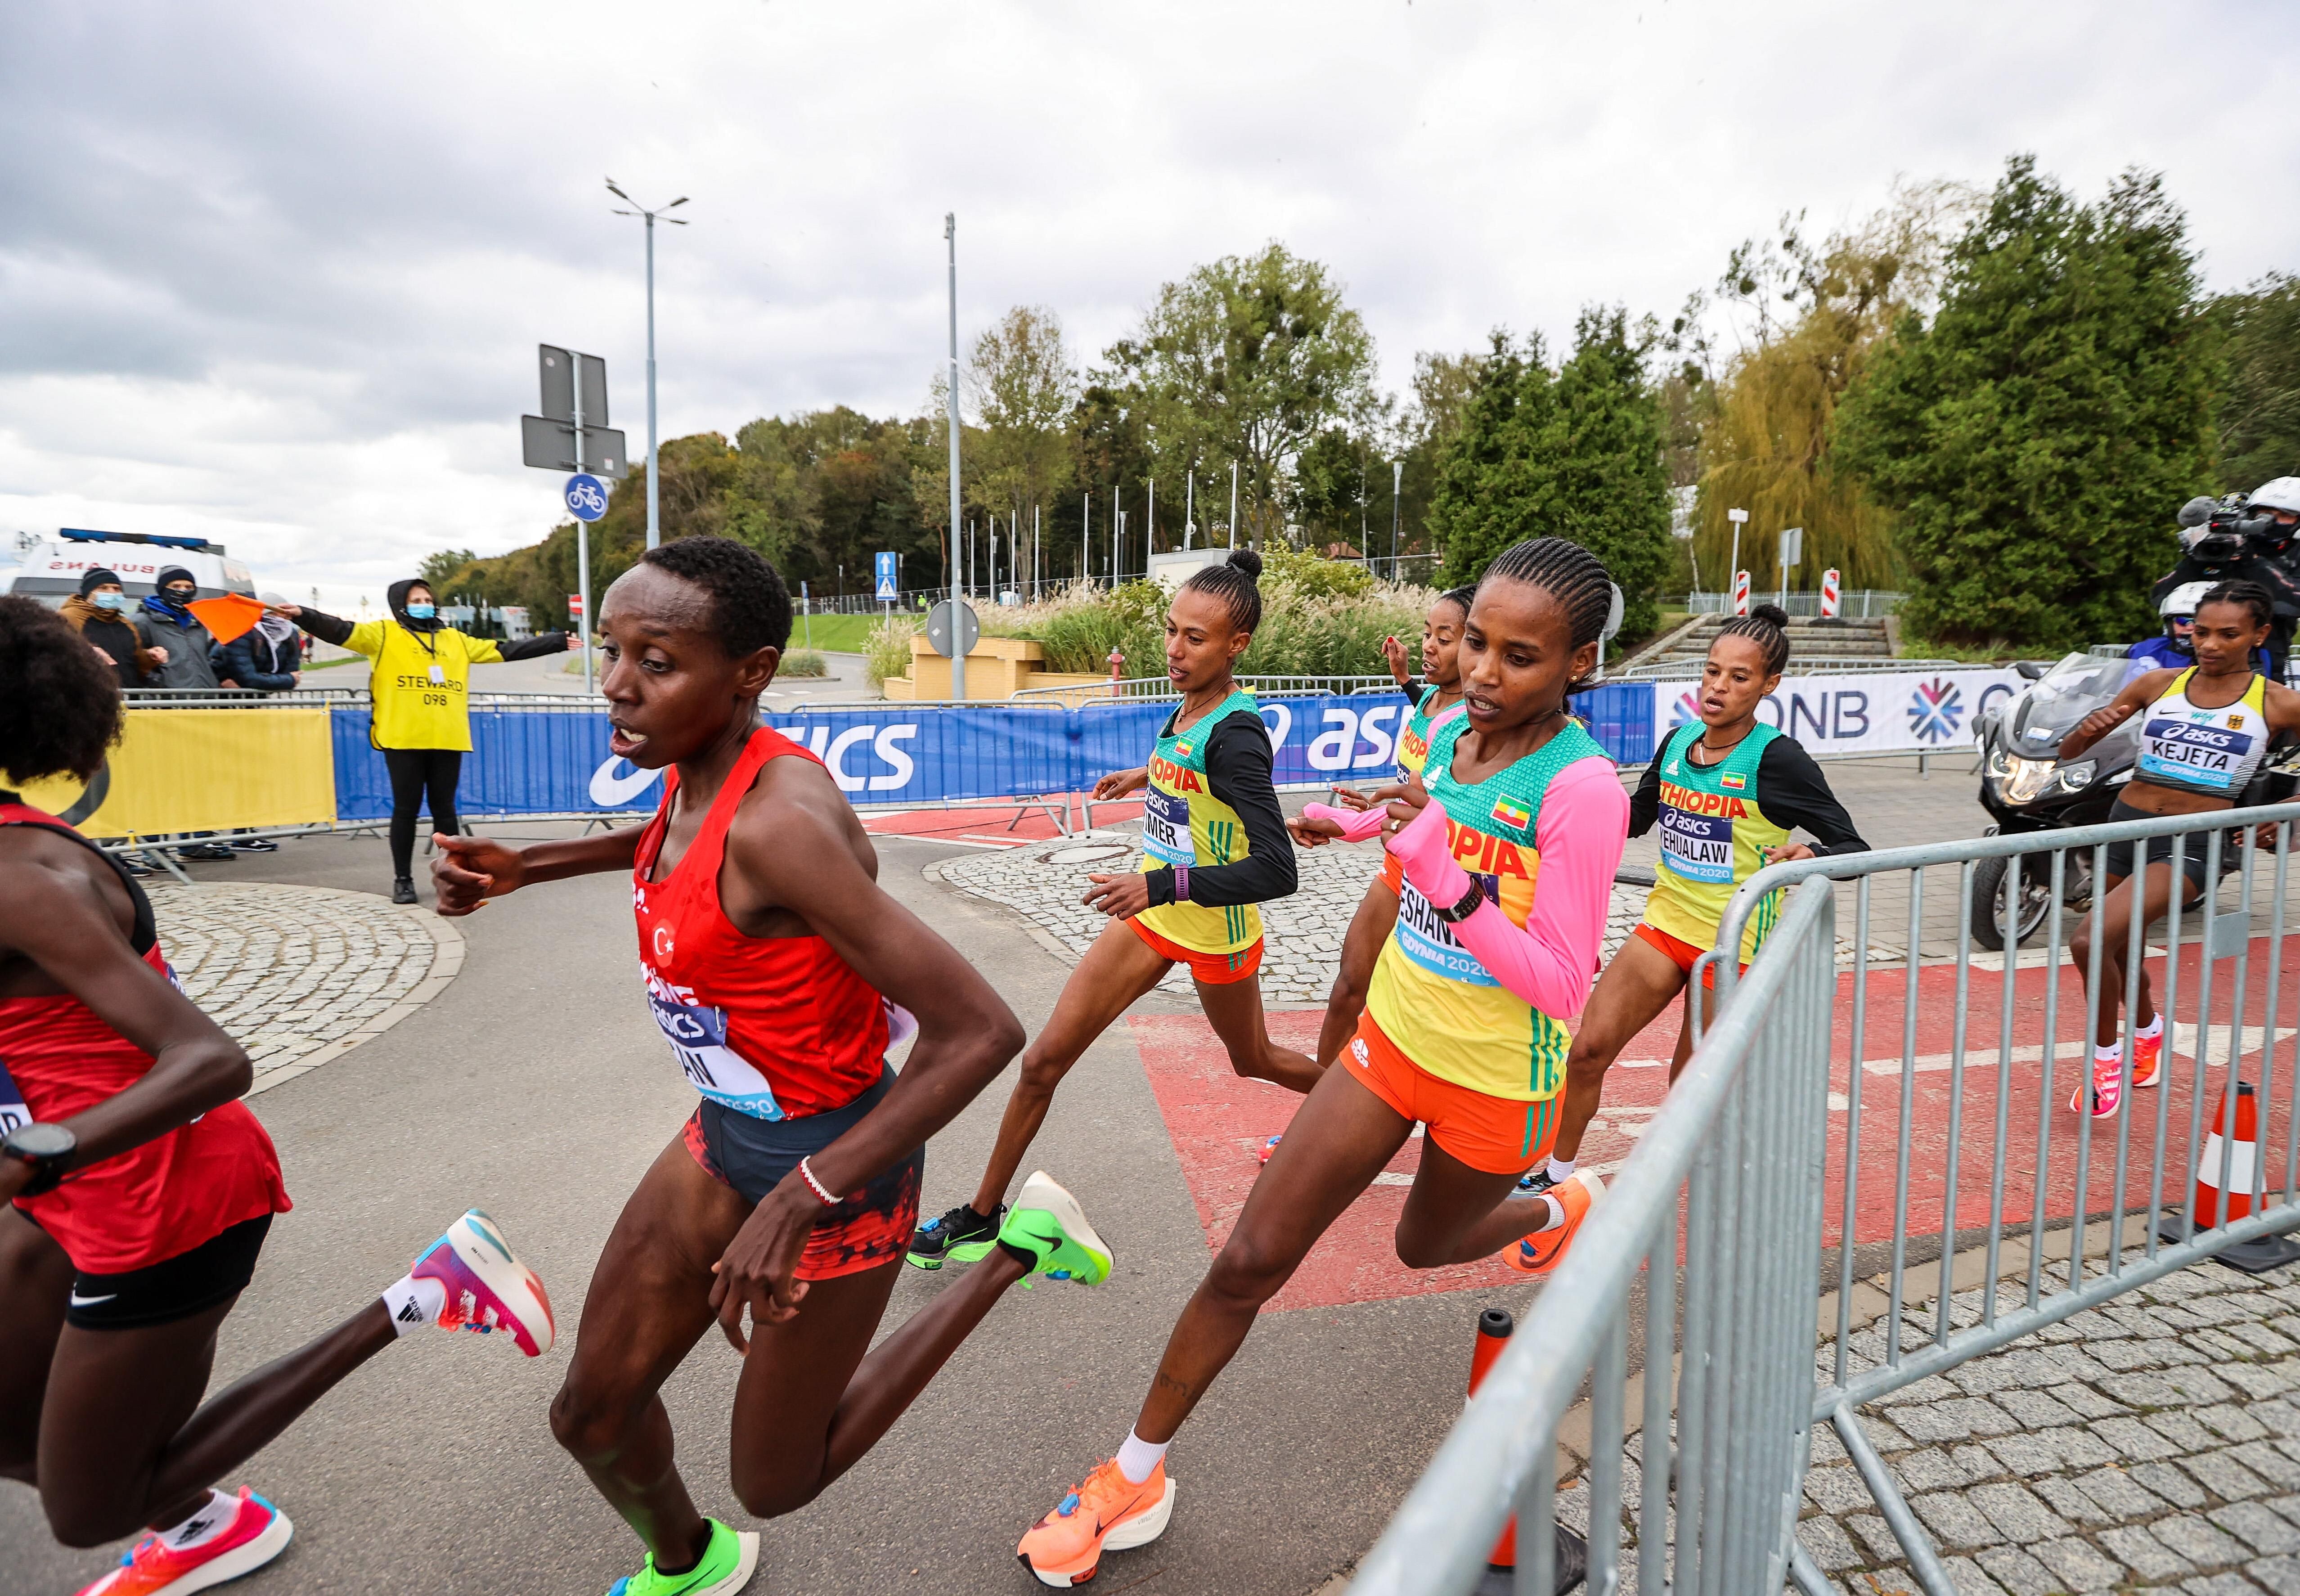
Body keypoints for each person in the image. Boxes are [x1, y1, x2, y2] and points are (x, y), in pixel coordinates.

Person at [428, 536, 1111, 1596]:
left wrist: (802, 1195)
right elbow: (677, 835)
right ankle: (689, 1561)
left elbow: (981, 1030)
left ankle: (1018, 1248)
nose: (616, 683)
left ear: (749, 672)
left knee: (776, 1481)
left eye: (657, 661)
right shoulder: (699, 770)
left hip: (839, 1168)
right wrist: (535, 864)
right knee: (591, 1413)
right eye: (611, 650)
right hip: (723, 1135)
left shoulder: (781, 824)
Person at [1013, 538, 1631, 1588]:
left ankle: (1556, 1204)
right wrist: (1354, 820)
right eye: (1477, 642)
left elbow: (1563, 985)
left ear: (1578, 664)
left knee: (1425, 1245)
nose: (1482, 671)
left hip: (1497, 1080)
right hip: (1391, 1042)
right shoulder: (1454, 731)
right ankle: (1134, 1476)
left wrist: (1450, 878)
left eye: (1519, 656)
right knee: (1248, 1260)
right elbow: (1419, 811)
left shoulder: (1583, 789)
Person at [0, 595, 553, 1596]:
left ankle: (424, 1295)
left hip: (162, 1195)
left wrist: (37, 1151)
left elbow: (210, 1058)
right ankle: (201, 1519)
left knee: (87, 1509)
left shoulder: (22, 877)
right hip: (65, 1183)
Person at [906, 548, 1317, 1269]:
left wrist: (1157, 886)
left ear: (1237, 644)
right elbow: (1193, 779)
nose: (1175, 648)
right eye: (1172, 629)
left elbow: (1276, 868)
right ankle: (980, 1216)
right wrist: (1146, 774)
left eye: (1195, 638)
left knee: (1252, 1059)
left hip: (1210, 928)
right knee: (1043, 1061)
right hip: (1152, 917)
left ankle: (1366, 1104)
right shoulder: (1192, 703)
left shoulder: (1238, 734)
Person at [1530, 603, 1868, 1239]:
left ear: (1769, 685)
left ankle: (1712, 1198)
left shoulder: (1779, 760)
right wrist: (1567, 790)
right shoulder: (1678, 743)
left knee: (1688, 1087)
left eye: (1739, 677)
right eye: (1713, 671)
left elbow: (1855, 848)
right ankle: (1556, 1173)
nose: (1718, 687)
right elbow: (1633, 819)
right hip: (1665, 925)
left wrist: (1811, 854)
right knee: (1588, 1050)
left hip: (1733, 946)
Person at [2059, 580, 2300, 1118]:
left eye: (2228, 634)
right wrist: (2087, 731)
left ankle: (2105, 1061)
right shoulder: (2158, 683)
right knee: (2118, 947)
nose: (2209, 644)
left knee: (2089, 940)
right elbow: (2068, 751)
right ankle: (2148, 1030)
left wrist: (2290, 809)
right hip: (2124, 827)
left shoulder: (2277, 702)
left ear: (2260, 634)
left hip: (2193, 843)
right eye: (2200, 631)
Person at [1287, 584, 1478, 1099]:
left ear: (1476, 645)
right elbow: (1412, 782)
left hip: (1437, 882)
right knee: (1349, 986)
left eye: (1445, 638)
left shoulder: (1469, 725)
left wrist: (1346, 823)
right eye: (1427, 633)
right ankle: (1318, 1115)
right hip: (1397, 868)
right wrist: (1405, 679)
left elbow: (1427, 813)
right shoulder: (1432, 699)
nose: (1429, 645)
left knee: (1415, 1018)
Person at [273, 580, 569, 904]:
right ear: (401, 604)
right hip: (403, 738)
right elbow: (340, 630)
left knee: (446, 811)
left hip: (447, 737)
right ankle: (403, 879)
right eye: (416, 600)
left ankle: (455, 877)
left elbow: (505, 649)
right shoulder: (382, 634)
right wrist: (303, 615)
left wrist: (556, 642)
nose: (424, 604)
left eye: (428, 599)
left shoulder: (455, 639)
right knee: (406, 809)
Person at [59, 569, 159, 692]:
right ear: (88, 592)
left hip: (127, 696)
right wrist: (86, 653)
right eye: (103, 588)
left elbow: (137, 664)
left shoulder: (126, 624)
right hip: (87, 695)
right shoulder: (68, 618)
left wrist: (150, 657)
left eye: (117, 589)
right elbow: (54, 655)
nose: (112, 592)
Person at [136, 566, 222, 693]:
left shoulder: (199, 621)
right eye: (176, 586)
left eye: (189, 587)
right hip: (168, 699)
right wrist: (160, 683)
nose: (183, 591)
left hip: (207, 696)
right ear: (163, 589)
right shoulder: (143, 621)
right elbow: (134, 660)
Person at [213, 593, 304, 694]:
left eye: (289, 614)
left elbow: (292, 673)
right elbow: (247, 678)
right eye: (282, 613)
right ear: (267, 613)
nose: (288, 618)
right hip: (226, 694)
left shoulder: (291, 634)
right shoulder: (241, 633)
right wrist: (287, 680)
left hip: (258, 694)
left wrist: (270, 682)